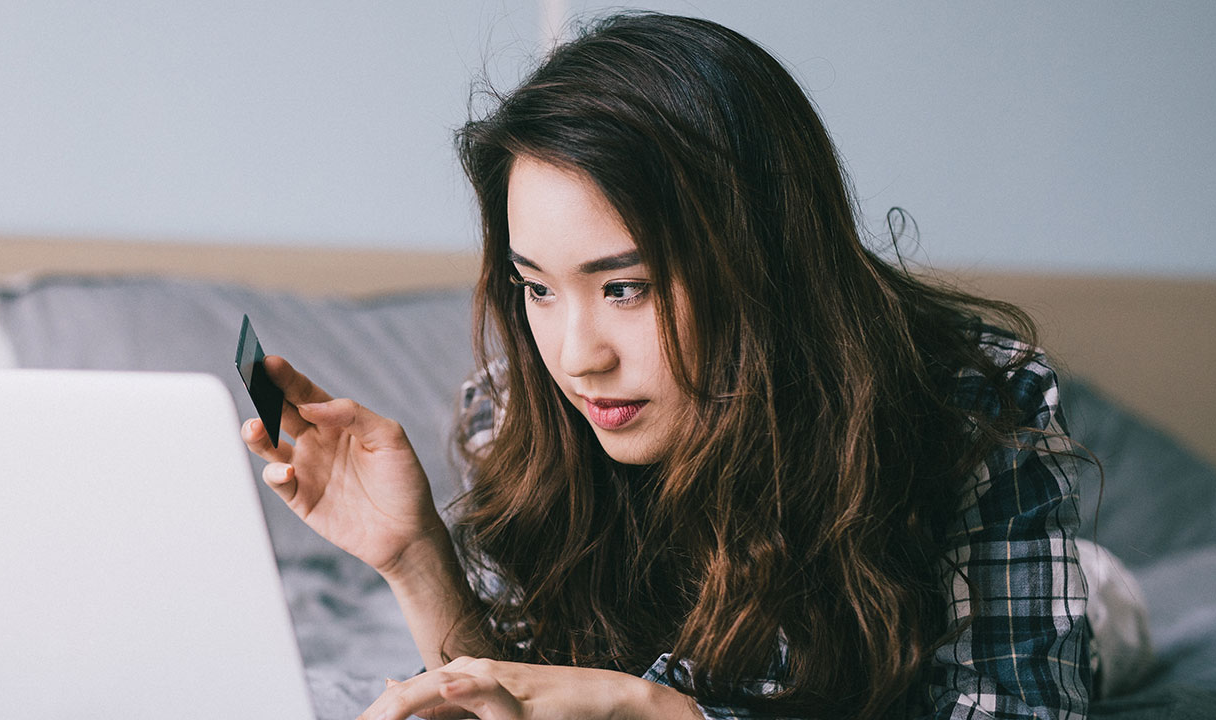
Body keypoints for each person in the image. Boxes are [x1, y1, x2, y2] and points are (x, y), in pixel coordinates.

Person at [242, 12, 1146, 720]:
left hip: (1072, 609)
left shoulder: (969, 410)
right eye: (539, 289)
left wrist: (661, 710)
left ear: (762, 262)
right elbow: (519, 693)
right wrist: (414, 558)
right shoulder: (526, 412)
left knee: (1108, 613)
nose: (577, 357)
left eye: (626, 288)